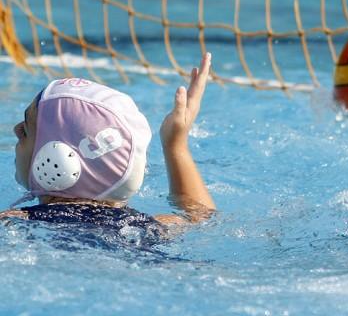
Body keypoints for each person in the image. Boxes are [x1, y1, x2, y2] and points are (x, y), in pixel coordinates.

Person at [0, 52, 215, 233]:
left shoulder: (14, 221)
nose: (16, 130)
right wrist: (175, 144)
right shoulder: (143, 226)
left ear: (56, 158)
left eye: (26, 129)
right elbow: (202, 218)